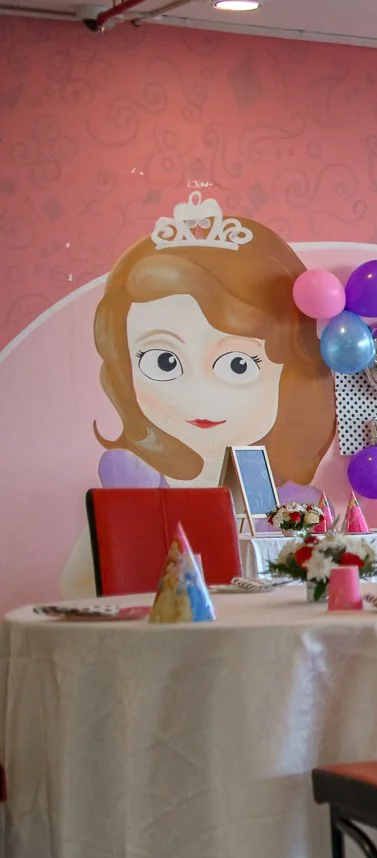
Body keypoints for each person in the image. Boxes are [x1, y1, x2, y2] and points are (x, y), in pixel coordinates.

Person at [60, 191, 335, 594]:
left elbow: (313, 593)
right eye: (164, 362)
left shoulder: (289, 506)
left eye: (238, 364)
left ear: (288, 372)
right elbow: (80, 591)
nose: (200, 394)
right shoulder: (128, 496)